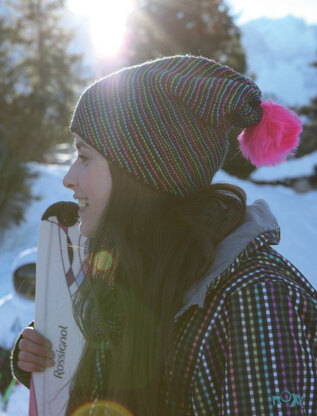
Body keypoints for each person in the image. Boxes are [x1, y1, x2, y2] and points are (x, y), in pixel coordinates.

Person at [11, 56, 316, 415]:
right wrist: (49, 361)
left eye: (84, 156)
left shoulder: (256, 300)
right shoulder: (122, 270)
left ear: (141, 174)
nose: (69, 177)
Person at [0, 248, 36, 412]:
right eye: (26, 284)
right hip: (9, 381)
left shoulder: (54, 310)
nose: (31, 290)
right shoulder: (6, 308)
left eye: (37, 284)